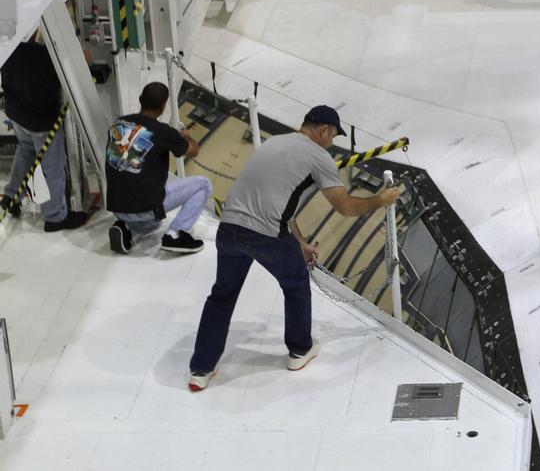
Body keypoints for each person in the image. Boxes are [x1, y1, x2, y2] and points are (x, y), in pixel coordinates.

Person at [187, 105, 403, 391]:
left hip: (229, 228)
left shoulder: (275, 141)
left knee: (222, 296)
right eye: (333, 136)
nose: (331, 142)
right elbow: (346, 207)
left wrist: (299, 243)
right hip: (265, 235)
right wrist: (381, 199)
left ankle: (200, 370)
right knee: (296, 284)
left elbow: (278, 200)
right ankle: (300, 350)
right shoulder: (318, 156)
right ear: (324, 130)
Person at [105, 82, 212, 256]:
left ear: (140, 100)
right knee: (203, 185)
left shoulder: (118, 123)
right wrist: (185, 137)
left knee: (154, 223)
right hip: (144, 208)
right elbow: (194, 151)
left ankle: (125, 227)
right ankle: (175, 234)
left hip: (117, 206)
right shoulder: (163, 131)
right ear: (163, 106)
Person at [0, 32, 89, 231]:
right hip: (41, 122)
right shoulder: (45, 55)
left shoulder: (9, 48)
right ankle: (55, 216)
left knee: (26, 151)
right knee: (52, 166)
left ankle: (11, 197)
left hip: (17, 115)